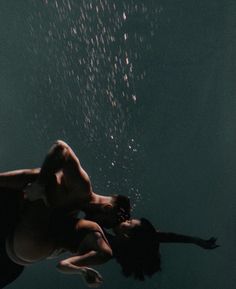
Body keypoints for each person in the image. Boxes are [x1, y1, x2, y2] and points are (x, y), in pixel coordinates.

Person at [4, 212, 219, 288]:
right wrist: (196, 240)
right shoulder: (120, 238)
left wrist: (82, 271)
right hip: (38, 246)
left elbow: (63, 265)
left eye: (130, 222)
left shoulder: (106, 248)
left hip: (42, 242)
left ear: (128, 237)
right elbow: (159, 237)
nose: (127, 219)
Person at [0, 140, 131, 228]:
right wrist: (39, 185)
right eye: (104, 223)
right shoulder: (82, 188)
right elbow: (62, 148)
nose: (99, 226)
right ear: (107, 208)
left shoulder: (72, 213)